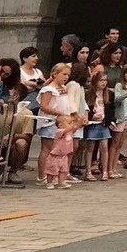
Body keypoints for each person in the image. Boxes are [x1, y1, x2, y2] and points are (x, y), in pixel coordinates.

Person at [37, 62, 79, 190]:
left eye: (68, 75)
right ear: (54, 74)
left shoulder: (63, 88)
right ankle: (42, 176)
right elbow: (44, 106)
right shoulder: (49, 89)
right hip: (49, 122)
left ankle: (54, 175)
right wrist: (59, 113)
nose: (66, 77)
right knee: (48, 149)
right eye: (63, 74)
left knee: (58, 149)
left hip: (61, 122)